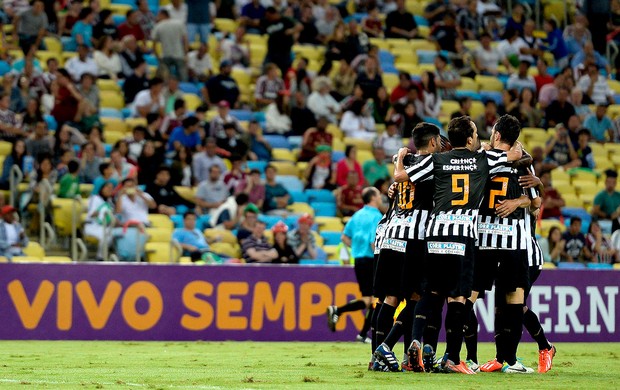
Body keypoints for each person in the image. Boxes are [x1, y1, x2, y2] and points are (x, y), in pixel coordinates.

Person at [393, 116, 522, 374]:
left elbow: (399, 176)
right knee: (458, 297)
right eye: (475, 133)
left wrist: (399, 157)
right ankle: (451, 358)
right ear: (471, 138)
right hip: (463, 236)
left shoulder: (436, 159)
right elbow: (515, 153)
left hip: (435, 233)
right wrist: (489, 148)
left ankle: (416, 340)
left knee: (430, 292)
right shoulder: (484, 160)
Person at [373, 122, 442, 372]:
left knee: (390, 299)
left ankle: (377, 358)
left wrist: (400, 158)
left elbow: (398, 184)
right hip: (414, 238)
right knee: (418, 297)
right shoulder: (427, 163)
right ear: (432, 142)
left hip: (392, 234)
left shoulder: (407, 160)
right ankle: (393, 351)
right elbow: (400, 178)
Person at [326, 187, 383, 343]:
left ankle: (362, 333)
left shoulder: (357, 215)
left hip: (358, 260)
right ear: (372, 198)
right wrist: (381, 259)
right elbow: (374, 242)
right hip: (371, 260)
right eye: (378, 195)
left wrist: (357, 249)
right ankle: (343, 314)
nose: (380, 197)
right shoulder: (376, 216)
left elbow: (344, 237)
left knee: (369, 299)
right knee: (375, 300)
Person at [260, 7, 302, 77]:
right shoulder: (267, 21)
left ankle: (283, 86)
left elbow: (300, 26)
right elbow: (256, 22)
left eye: (269, 16)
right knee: (265, 70)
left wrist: (291, 31)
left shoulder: (285, 20)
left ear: (274, 14)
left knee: (285, 72)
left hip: (284, 52)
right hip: (272, 52)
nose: (268, 17)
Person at [152, 9, 189, 82]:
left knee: (166, 79)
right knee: (183, 78)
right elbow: (185, 40)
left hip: (166, 55)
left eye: (159, 15)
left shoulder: (158, 26)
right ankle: (185, 92)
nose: (157, 17)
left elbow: (154, 44)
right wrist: (186, 54)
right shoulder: (179, 23)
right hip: (179, 55)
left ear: (163, 15)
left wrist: (157, 57)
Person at [84, 181, 117, 260]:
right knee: (105, 235)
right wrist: (101, 210)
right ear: (102, 189)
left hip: (105, 226)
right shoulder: (94, 198)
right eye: (107, 188)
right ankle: (100, 258)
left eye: (111, 189)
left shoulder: (110, 201)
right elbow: (91, 214)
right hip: (92, 225)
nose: (109, 190)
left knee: (113, 233)